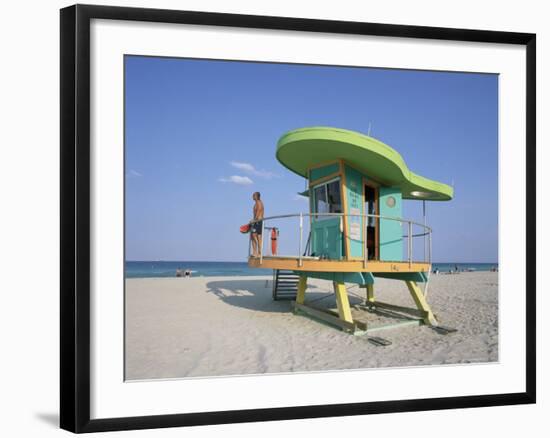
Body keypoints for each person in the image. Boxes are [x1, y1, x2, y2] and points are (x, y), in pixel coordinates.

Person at [250, 192, 264, 257]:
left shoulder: (259, 202)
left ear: (256, 196)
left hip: (258, 221)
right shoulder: (256, 203)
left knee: (258, 237)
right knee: (252, 236)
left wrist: (254, 220)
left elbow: (258, 211)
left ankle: (259, 252)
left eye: (253, 195)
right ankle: (255, 252)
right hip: (256, 221)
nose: (252, 196)